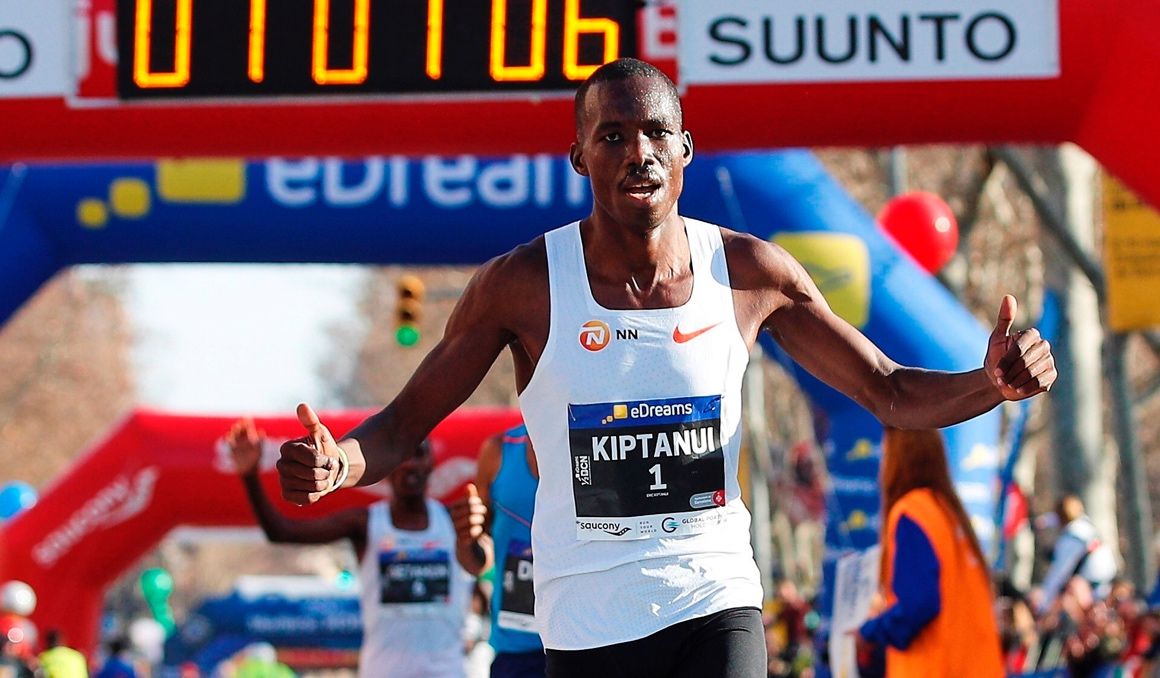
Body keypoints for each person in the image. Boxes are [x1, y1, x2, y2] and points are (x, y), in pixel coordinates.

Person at [275, 58, 1056, 677]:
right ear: (579, 155)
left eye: (655, 133)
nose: (638, 152)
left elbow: (886, 389)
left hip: (715, 597)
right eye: (612, 136)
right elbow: (405, 423)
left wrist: (990, 383)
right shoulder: (523, 285)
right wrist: (340, 461)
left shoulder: (749, 273)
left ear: (684, 149)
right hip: (586, 616)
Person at [225, 419, 474, 678]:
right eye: (402, 458)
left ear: (432, 462)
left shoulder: (456, 522)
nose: (409, 464)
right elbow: (281, 532)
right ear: (386, 467)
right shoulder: (365, 523)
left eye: (418, 454)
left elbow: (485, 562)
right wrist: (250, 476)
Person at [856, 428, 1004, 677]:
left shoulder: (912, 513)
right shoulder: (948, 513)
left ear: (898, 456)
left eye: (885, 453)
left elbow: (919, 603)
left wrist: (869, 632)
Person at [452, 424, 545, 678]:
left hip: (589, 640)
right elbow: (478, 561)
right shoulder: (499, 451)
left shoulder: (595, 439)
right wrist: (465, 538)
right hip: (518, 646)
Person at [1035, 494, 1118, 614]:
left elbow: (1059, 574)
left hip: (1093, 590)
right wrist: (1044, 521)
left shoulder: (1073, 539)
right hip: (1105, 584)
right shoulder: (1085, 527)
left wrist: (1043, 605)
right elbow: (1059, 517)